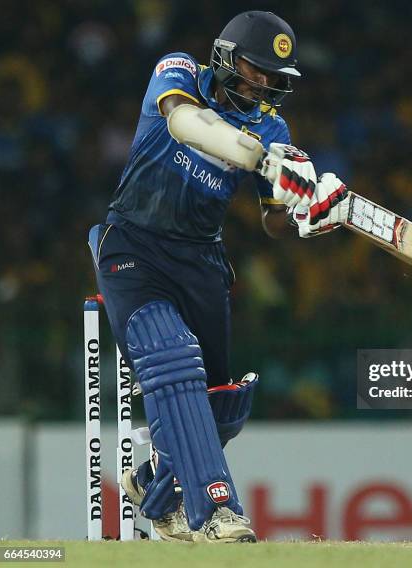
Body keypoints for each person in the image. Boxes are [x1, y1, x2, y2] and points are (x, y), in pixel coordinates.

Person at [88, 11, 348, 543]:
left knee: (222, 405)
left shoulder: (274, 128)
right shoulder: (179, 70)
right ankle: (217, 511)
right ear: (227, 59)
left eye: (275, 79)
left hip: (201, 262)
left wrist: (308, 212)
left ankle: (152, 488)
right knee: (172, 355)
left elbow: (274, 221)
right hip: (134, 245)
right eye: (256, 71)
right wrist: (260, 159)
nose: (264, 85)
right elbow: (186, 124)